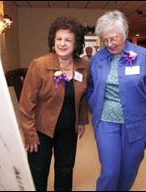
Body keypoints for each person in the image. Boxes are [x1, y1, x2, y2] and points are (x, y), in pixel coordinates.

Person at [87, 10, 146, 191]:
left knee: (129, 170)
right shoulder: (98, 58)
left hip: (135, 123)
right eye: (105, 40)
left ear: (125, 34)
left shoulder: (142, 55)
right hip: (106, 122)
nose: (109, 44)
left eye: (113, 38)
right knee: (110, 171)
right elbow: (91, 85)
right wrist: (93, 104)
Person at [19, 16, 89, 191]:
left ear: (76, 44)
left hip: (68, 130)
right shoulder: (39, 65)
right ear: (53, 41)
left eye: (68, 40)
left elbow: (83, 97)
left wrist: (81, 121)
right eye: (59, 39)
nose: (63, 43)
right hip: (41, 130)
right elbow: (26, 104)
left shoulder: (84, 66)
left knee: (65, 170)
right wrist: (29, 133)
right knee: (38, 173)